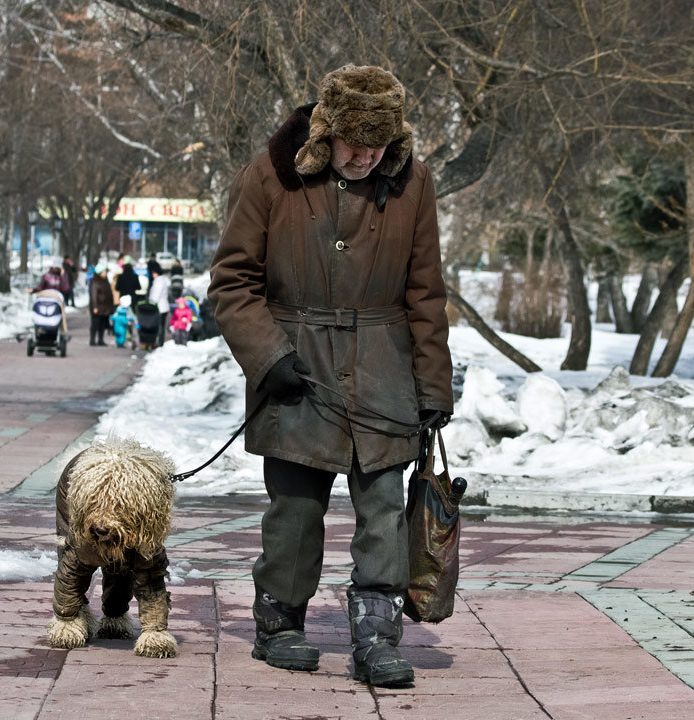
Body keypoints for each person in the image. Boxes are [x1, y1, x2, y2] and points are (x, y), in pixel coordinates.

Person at [208, 64, 453, 688]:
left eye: (377, 148)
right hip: (296, 365)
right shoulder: (272, 173)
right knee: (294, 507)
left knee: (384, 508)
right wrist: (269, 357)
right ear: (327, 132)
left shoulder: (413, 183)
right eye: (353, 145)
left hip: (383, 367)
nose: (365, 159)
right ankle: (280, 624)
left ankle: (376, 633)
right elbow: (233, 282)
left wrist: (433, 388)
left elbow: (426, 293)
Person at [88, 263, 113, 346]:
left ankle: (100, 340)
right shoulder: (95, 281)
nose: (105, 273)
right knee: (95, 324)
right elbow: (93, 295)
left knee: (102, 324)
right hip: (98, 307)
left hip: (105, 307)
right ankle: (92, 340)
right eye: (104, 271)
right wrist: (95, 307)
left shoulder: (105, 281)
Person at [148, 266, 170, 347]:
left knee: (159, 326)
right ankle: (160, 342)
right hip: (163, 307)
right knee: (161, 326)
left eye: (153, 273)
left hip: (159, 307)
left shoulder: (158, 282)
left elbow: (155, 296)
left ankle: (158, 343)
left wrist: (151, 303)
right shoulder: (163, 281)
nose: (152, 275)